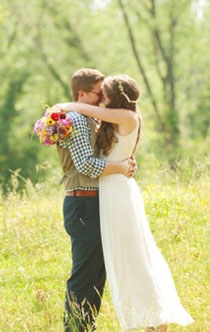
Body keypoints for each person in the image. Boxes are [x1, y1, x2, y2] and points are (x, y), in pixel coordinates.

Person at [57, 75, 194, 331]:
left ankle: (156, 320)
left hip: (117, 195)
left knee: (134, 259)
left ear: (116, 98)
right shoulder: (107, 120)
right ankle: (86, 325)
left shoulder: (127, 117)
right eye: (98, 94)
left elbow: (84, 108)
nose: (101, 101)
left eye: (104, 95)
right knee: (109, 266)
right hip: (105, 196)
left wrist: (65, 106)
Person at [57, 68, 136, 331]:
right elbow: (85, 165)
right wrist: (120, 167)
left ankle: (85, 328)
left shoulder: (88, 118)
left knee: (96, 276)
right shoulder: (78, 120)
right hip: (83, 203)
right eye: (98, 94)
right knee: (84, 276)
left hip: (95, 203)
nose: (103, 99)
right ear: (82, 94)